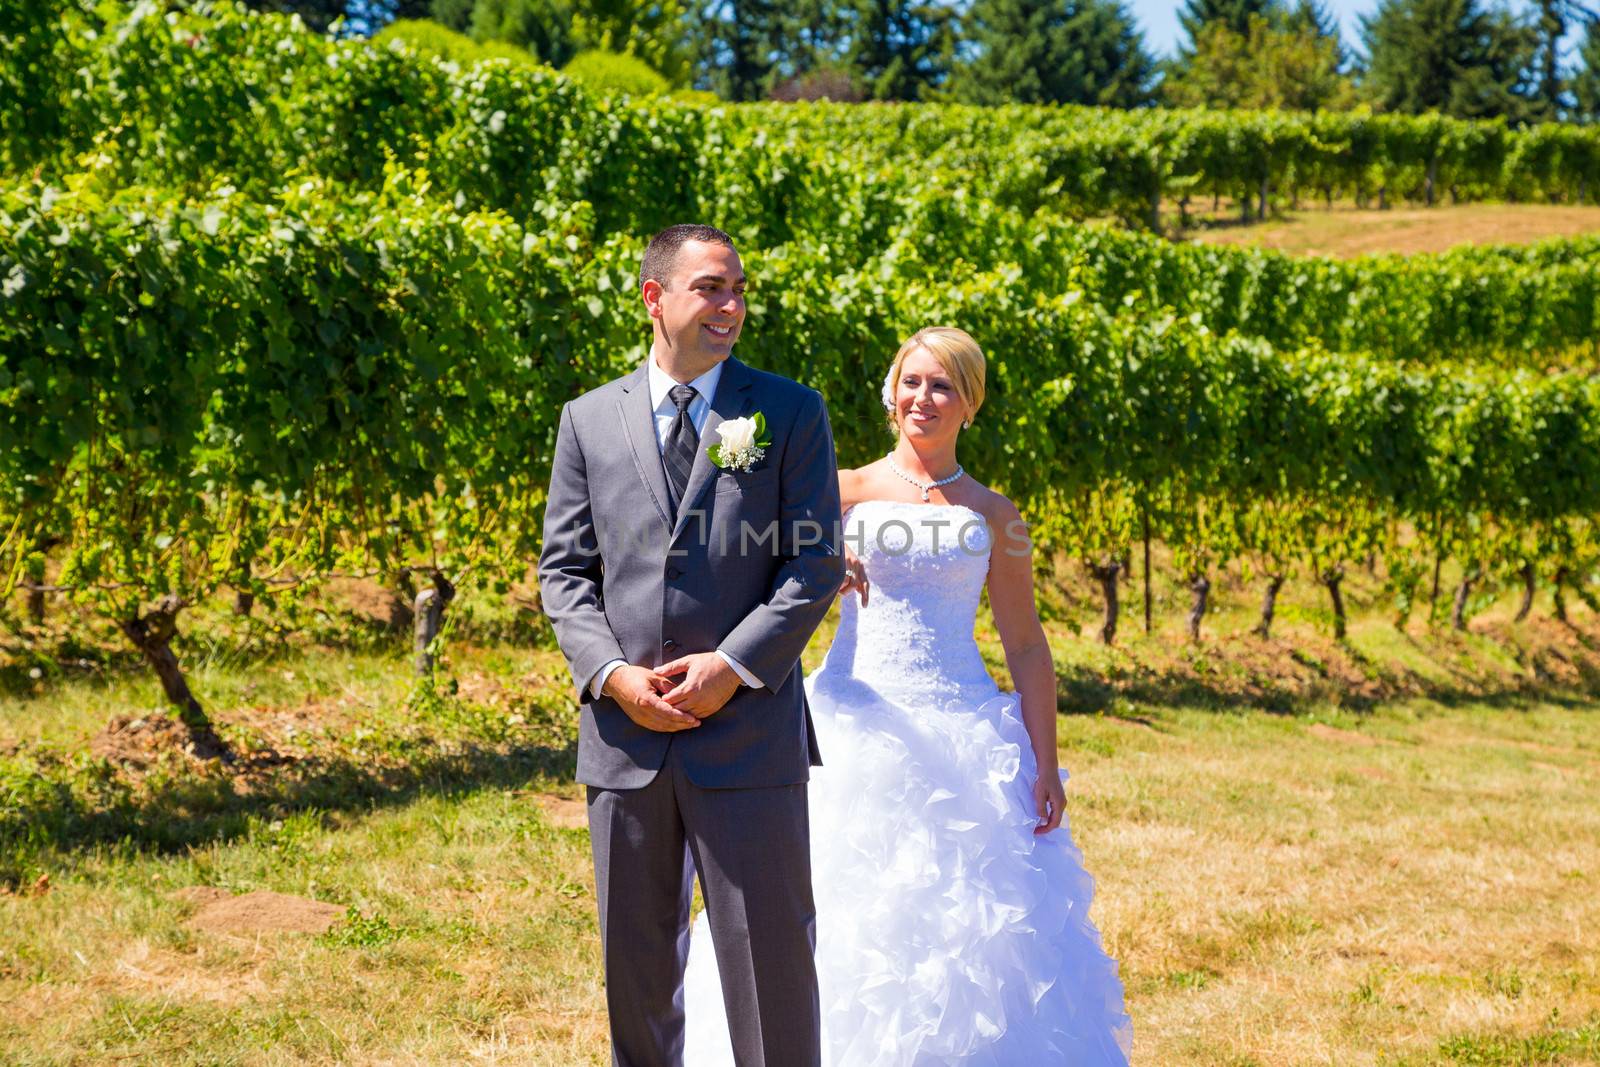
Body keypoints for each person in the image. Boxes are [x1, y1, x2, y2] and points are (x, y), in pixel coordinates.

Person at [683, 326, 1133, 1065]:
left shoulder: (995, 514)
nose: (925, 397)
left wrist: (1046, 763)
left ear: (969, 404)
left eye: (944, 385)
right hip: (854, 721)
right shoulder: (840, 489)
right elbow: (743, 551)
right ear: (891, 394)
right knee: (830, 902)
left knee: (977, 922)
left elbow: (1024, 643)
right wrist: (823, 557)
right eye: (913, 382)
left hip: (963, 726)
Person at [538, 224, 843, 1067]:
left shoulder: (789, 411)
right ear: (654, 297)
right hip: (625, 741)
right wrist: (612, 676)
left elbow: (814, 557)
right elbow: (565, 572)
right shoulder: (586, 419)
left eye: (739, 289)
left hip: (749, 736)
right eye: (711, 288)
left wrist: (732, 667)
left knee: (771, 971)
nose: (732, 305)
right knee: (634, 975)